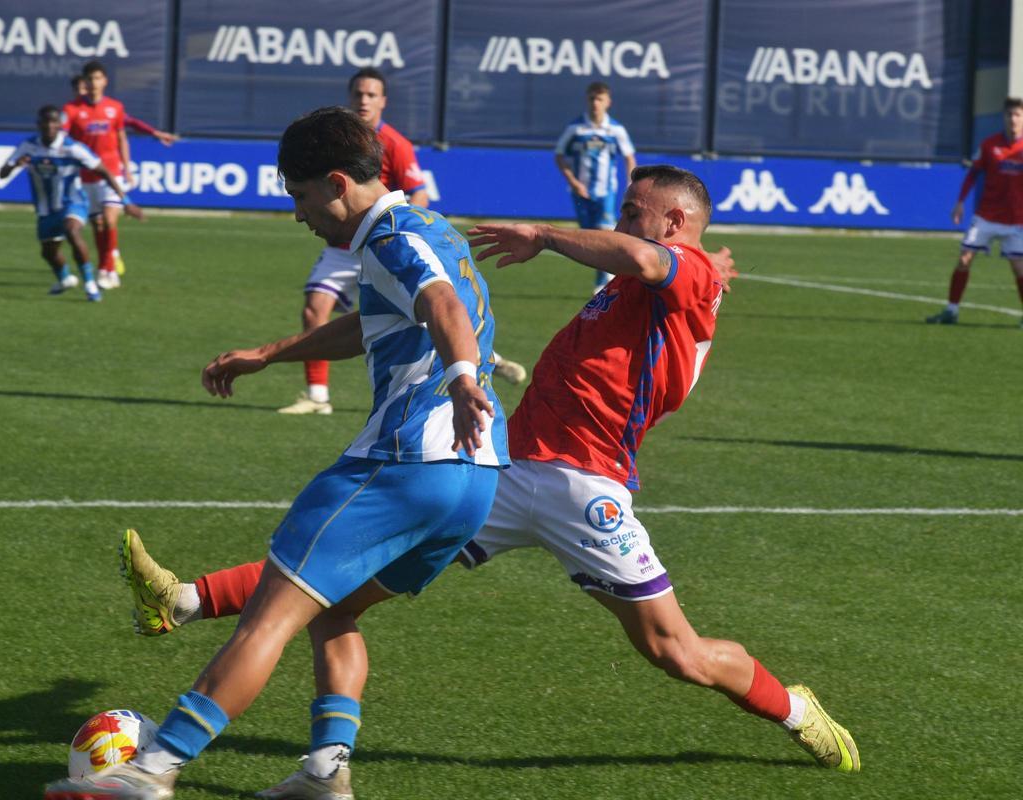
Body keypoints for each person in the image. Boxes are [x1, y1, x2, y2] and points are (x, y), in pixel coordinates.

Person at [122, 166, 861, 797]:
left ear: (674, 222)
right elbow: (649, 266)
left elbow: (654, 263)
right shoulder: (661, 278)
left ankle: (794, 710)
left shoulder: (675, 271)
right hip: (506, 471)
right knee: (338, 591)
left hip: (586, 490)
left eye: (635, 214)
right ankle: (204, 621)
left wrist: (543, 237)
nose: (621, 223)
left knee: (677, 653)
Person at [42, 106, 510, 800]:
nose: (297, 214)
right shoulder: (426, 226)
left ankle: (155, 768)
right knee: (335, 612)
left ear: (335, 181)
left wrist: (464, 378)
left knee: (270, 616)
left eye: (297, 195)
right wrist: (271, 353)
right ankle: (325, 773)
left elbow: (441, 303)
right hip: (474, 483)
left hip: (406, 462)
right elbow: (381, 321)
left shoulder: (390, 236)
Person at [280, 67, 528, 416]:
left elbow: (418, 194)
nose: (363, 100)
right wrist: (265, 355)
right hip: (344, 245)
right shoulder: (331, 144)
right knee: (315, 309)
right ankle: (318, 395)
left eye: (371, 95)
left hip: (385, 239)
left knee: (424, 308)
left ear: (383, 101)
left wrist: (400, 232)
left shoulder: (393, 145)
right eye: (358, 94)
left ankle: (477, 361)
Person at [0, 106, 142, 302]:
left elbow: (104, 171)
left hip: (73, 202)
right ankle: (65, 278)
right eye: (45, 122)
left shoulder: (72, 147)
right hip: (46, 209)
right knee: (48, 252)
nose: (49, 125)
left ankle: (90, 284)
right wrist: (15, 164)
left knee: (72, 231)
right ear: (38, 124)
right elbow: (2, 174)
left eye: (53, 122)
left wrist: (126, 201)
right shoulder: (28, 146)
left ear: (59, 124)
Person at [926, 96, 1023, 328]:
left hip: (1017, 219)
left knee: (1019, 267)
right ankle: (951, 311)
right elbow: (973, 174)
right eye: (1009, 114)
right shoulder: (989, 145)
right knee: (964, 259)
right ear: (1004, 117)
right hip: (986, 215)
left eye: (1017, 115)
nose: (1013, 119)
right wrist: (960, 202)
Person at [62, 61, 141, 291]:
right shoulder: (72, 110)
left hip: (112, 173)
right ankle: (104, 266)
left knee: (109, 219)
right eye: (90, 79)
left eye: (98, 78)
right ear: (84, 82)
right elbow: (62, 141)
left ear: (104, 81)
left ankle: (108, 269)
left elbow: (121, 138)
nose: (94, 83)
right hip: (86, 177)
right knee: (97, 225)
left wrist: (126, 167)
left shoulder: (115, 108)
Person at [554, 81, 637, 293]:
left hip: (605, 192)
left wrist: (630, 183)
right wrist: (573, 182)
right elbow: (559, 155)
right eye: (592, 98)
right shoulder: (575, 128)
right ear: (587, 100)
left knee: (604, 233)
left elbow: (629, 157)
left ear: (608, 102)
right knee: (589, 236)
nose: (595, 103)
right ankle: (605, 278)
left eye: (599, 99)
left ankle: (604, 282)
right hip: (580, 192)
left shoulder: (616, 129)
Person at [70, 74, 180, 148]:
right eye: (77, 89)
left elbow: (132, 122)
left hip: (100, 164)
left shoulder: (107, 110)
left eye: (84, 89)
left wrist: (156, 133)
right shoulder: (70, 111)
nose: (81, 92)